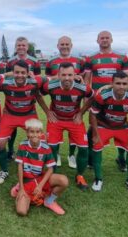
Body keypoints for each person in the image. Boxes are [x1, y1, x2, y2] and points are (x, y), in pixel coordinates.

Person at [39, 62, 93, 191]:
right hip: (56, 120)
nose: (67, 78)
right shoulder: (51, 86)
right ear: (58, 75)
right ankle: (53, 173)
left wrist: (81, 112)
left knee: (84, 148)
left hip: (74, 120)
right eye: (63, 75)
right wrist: (47, 112)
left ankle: (79, 176)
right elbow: (38, 94)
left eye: (70, 75)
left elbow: (92, 97)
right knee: (51, 147)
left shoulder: (82, 87)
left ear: (75, 75)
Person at [89, 71, 128, 194]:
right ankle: (98, 178)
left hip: (122, 126)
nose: (121, 86)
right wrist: (96, 134)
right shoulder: (103, 95)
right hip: (104, 125)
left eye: (124, 83)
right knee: (97, 147)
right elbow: (93, 115)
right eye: (118, 83)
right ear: (111, 83)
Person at [0, 60, 47, 185]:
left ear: (28, 73)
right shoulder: (5, 83)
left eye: (23, 73)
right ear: (12, 72)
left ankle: (38, 169)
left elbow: (48, 81)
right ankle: (4, 170)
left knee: (42, 141)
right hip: (9, 115)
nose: (20, 75)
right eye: (16, 72)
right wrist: (4, 74)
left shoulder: (35, 82)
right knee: (0, 143)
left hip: (29, 115)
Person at [84, 31, 128, 172]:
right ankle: (91, 158)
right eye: (102, 38)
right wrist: (86, 98)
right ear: (97, 40)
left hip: (118, 98)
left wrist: (127, 95)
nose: (104, 40)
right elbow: (87, 79)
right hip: (98, 98)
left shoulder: (122, 57)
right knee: (93, 126)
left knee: (120, 124)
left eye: (107, 38)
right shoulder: (90, 58)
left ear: (112, 39)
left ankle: (121, 157)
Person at [10, 118, 69, 216]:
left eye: (37, 132)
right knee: (21, 211)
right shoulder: (22, 146)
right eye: (31, 132)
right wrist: (22, 188)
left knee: (64, 180)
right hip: (27, 181)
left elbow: (50, 169)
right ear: (27, 133)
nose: (34, 135)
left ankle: (49, 201)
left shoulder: (46, 147)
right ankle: (18, 189)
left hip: (39, 178)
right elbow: (19, 166)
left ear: (41, 133)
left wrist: (40, 185)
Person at [45, 36, 86, 169]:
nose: (64, 46)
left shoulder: (79, 61)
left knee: (75, 132)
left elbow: (83, 80)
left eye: (67, 44)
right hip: (57, 101)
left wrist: (76, 78)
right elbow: (47, 79)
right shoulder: (51, 61)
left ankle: (71, 155)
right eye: (62, 44)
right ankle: (55, 155)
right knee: (53, 138)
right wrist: (59, 77)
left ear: (71, 45)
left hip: (74, 102)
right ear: (58, 46)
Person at [5, 37, 42, 160]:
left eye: (23, 45)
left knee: (32, 127)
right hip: (13, 98)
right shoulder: (10, 61)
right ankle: (10, 150)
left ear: (27, 47)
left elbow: (37, 80)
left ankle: (31, 151)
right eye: (19, 45)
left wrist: (32, 77)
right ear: (16, 46)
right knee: (12, 127)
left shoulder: (34, 61)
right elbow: (8, 79)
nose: (21, 47)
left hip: (28, 99)